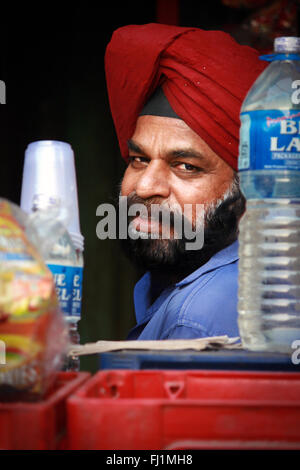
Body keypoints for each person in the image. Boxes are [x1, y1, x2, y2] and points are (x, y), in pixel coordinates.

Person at [104, 23, 266, 340]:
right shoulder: (177, 287)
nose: (146, 187)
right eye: (139, 160)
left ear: (248, 194)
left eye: (186, 166)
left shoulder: (195, 318)